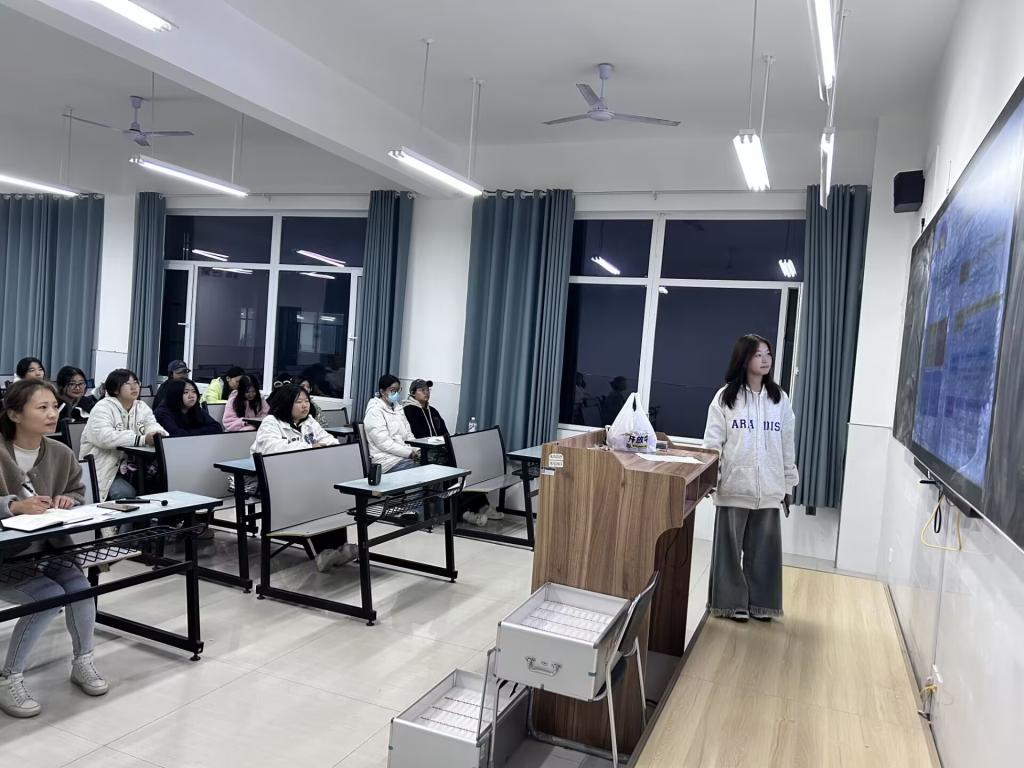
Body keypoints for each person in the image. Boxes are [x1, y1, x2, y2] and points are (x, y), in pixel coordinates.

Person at [0, 380, 108, 717]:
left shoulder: (60, 452)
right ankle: (8, 679)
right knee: (47, 598)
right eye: (42, 407)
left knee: (80, 590)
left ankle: (83, 662)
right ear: (15, 414)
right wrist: (11, 506)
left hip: (50, 549)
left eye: (54, 406)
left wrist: (68, 499)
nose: (52, 414)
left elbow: (77, 491)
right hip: (7, 557)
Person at [703, 334, 798, 623]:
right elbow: (712, 444)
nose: (765, 359)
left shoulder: (779, 399)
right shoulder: (725, 398)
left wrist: (788, 483)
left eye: (768, 353)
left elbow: (787, 445)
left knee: (764, 552)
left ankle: (762, 604)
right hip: (734, 486)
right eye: (758, 354)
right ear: (744, 359)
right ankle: (730, 604)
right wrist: (712, 478)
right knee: (729, 552)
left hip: (769, 488)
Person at [251, 384, 354, 572]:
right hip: (275, 481)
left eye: (307, 401)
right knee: (313, 498)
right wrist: (309, 448)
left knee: (331, 495)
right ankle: (322, 553)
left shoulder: (309, 422)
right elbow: (272, 449)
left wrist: (326, 447)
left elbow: (329, 440)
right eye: (299, 402)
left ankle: (339, 548)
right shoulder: (271, 423)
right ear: (285, 403)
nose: (305, 405)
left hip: (304, 477)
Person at [401, 378, 495, 526]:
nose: (426, 393)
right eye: (422, 390)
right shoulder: (408, 411)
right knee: (450, 471)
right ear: (413, 393)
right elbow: (415, 437)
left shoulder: (432, 411)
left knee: (465, 464)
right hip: (424, 453)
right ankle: (462, 513)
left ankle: (481, 505)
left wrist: (448, 443)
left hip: (439, 451)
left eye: (428, 390)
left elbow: (444, 433)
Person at [80, 369, 168, 501]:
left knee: (162, 484)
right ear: (115, 389)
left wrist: (157, 434)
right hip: (105, 469)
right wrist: (142, 439)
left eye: (136, 382)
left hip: (137, 467)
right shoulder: (102, 407)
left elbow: (152, 425)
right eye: (128, 383)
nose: (134, 387)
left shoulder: (141, 406)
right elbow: (104, 437)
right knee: (125, 493)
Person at [154, 379, 224, 437]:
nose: (191, 396)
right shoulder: (162, 413)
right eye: (186, 392)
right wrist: (200, 431)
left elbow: (216, 427)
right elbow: (178, 435)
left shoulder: (195, 408)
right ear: (175, 394)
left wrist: (191, 432)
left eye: (194, 391)